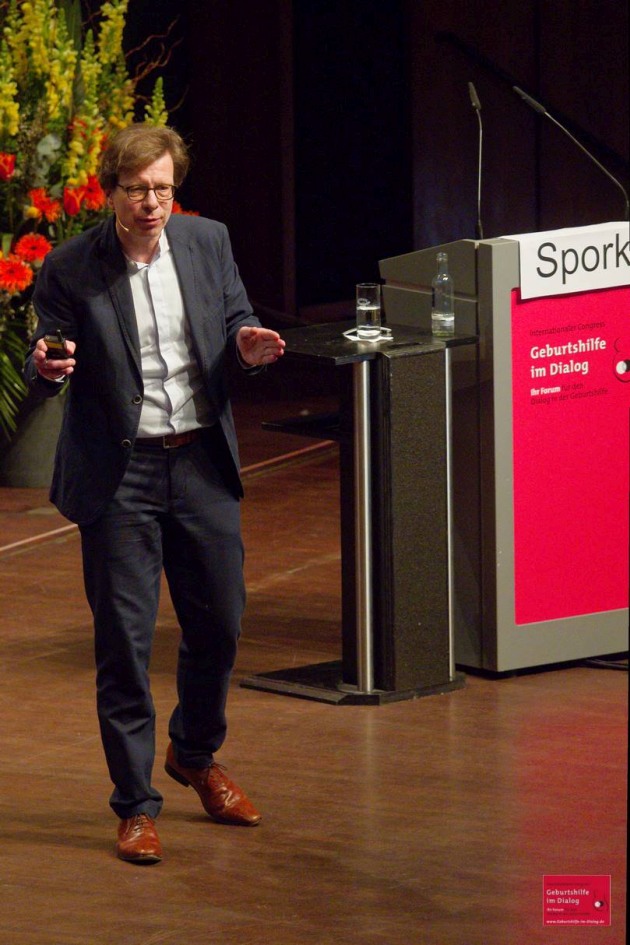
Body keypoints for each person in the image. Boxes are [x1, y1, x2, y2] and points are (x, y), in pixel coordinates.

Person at [24, 123, 285, 864]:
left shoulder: (208, 243)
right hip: (121, 474)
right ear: (111, 191)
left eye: (163, 190)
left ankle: (194, 753)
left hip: (199, 461)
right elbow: (47, 350)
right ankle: (135, 804)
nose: (152, 204)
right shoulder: (73, 265)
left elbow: (235, 320)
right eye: (137, 190)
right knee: (125, 642)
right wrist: (48, 364)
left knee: (222, 622)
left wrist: (247, 345)